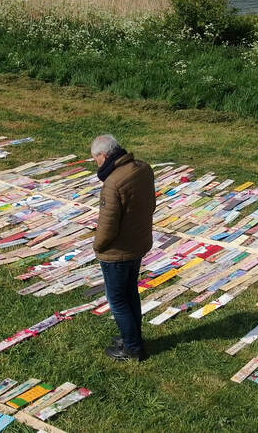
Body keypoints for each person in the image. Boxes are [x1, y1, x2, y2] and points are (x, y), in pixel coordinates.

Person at [91, 134, 155, 361]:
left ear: (104, 155)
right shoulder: (143, 169)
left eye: (95, 158)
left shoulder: (113, 183)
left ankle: (133, 349)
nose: (96, 163)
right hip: (138, 242)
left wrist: (98, 245)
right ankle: (132, 338)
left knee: (118, 300)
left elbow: (107, 225)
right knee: (130, 294)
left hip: (117, 251)